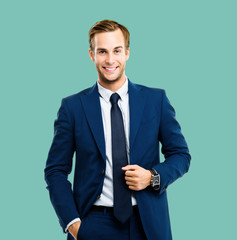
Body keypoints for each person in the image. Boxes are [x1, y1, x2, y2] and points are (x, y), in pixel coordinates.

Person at [44, 19, 191, 240]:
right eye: (102, 51)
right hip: (94, 222)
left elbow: (181, 155)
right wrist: (73, 224)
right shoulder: (72, 107)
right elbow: (55, 170)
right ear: (92, 55)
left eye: (117, 51)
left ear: (127, 53)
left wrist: (152, 176)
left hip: (148, 222)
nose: (110, 59)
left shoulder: (155, 100)